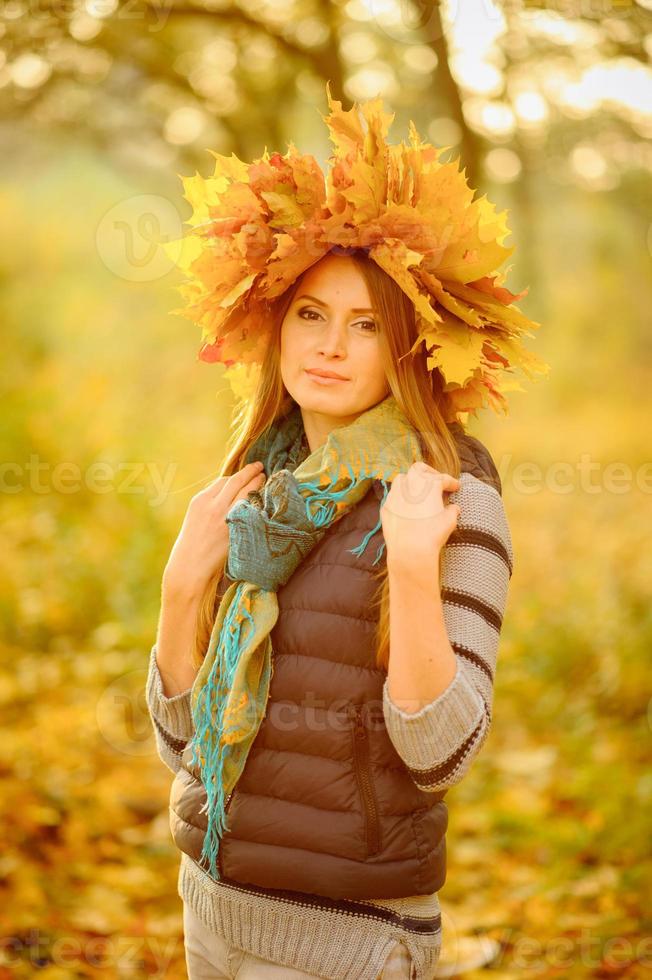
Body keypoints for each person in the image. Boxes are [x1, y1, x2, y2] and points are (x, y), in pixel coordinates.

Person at [145, 85, 546, 980]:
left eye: (368, 325)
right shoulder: (254, 485)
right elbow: (183, 748)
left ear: (409, 347)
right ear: (276, 326)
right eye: (311, 315)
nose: (329, 346)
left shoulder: (448, 497)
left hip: (346, 941)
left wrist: (410, 569)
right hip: (209, 909)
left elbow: (439, 753)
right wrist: (181, 590)